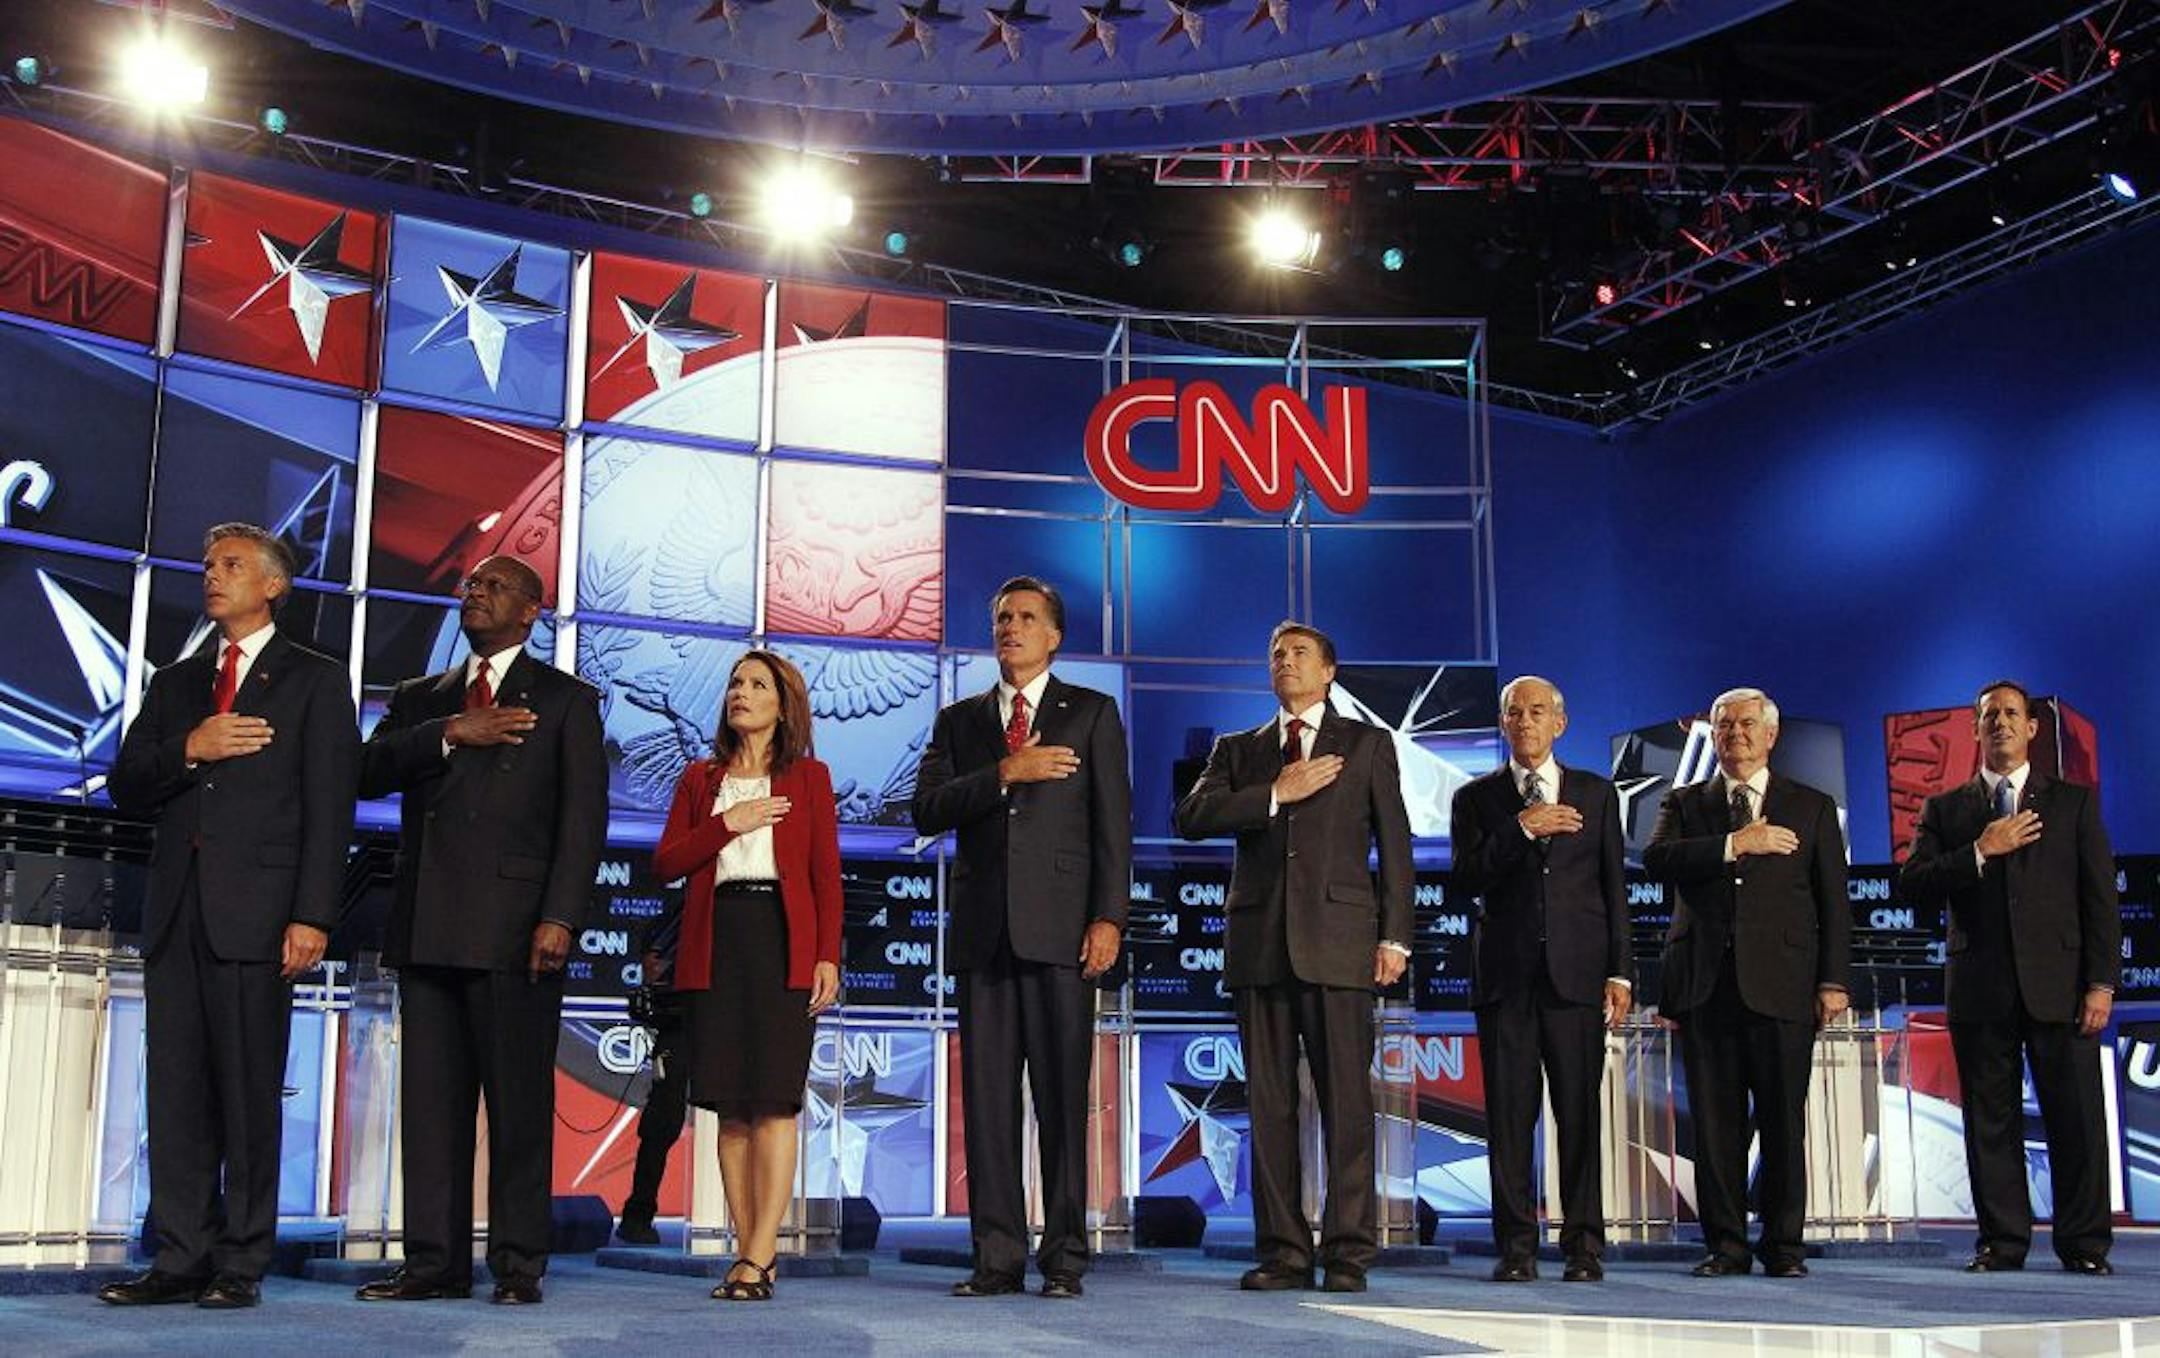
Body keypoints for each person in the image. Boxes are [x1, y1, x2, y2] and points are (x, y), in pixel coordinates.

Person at [101, 523, 358, 1310]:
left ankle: (241, 1262)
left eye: (233, 565)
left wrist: (312, 914)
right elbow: (127, 784)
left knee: (248, 1095)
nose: (213, 575)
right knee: (175, 1094)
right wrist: (192, 748)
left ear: (274, 584)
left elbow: (330, 807)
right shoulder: (176, 684)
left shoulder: (314, 680)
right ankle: (179, 1254)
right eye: (209, 564)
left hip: (260, 913)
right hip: (178, 912)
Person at [354, 555, 606, 1307]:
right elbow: (365, 773)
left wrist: (560, 915)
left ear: (532, 610)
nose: (475, 594)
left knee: (519, 1104)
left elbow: (581, 821)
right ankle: (433, 1263)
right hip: (428, 922)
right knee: (431, 1109)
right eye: (470, 585)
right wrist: (450, 731)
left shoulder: (565, 700)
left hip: (518, 930)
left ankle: (519, 1264)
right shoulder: (420, 698)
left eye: (494, 586)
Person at [1173, 621, 1412, 1295]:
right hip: (1259, 948)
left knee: (1346, 1107)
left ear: (1329, 670)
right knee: (1270, 1108)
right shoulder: (1241, 749)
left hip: (1340, 947)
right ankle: (1282, 1250)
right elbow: (1190, 817)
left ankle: (1347, 1252)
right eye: (1277, 654)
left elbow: (1394, 845)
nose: (1285, 662)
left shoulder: (1367, 745)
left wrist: (1395, 937)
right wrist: (1278, 792)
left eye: (1299, 653)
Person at [912, 576, 1130, 1301]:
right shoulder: (960, 721)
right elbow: (927, 809)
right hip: (983, 938)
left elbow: (1112, 828)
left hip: (1064, 934)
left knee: (1063, 1103)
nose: (1011, 626)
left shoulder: (1093, 713)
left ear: (1054, 635)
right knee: (989, 1105)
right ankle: (996, 1257)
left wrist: (1109, 918)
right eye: (1003, 616)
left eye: (1027, 617)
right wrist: (1005, 771)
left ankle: (1064, 1256)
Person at [1899, 679, 2119, 1275]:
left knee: (2075, 1121)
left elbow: (2100, 900)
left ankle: (2084, 1245)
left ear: (2031, 729)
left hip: (2064, 988)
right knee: (1989, 1123)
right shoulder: (1946, 811)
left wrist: (2101, 983)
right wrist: (1980, 849)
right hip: (1981, 989)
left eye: (2011, 713)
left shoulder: (2072, 803)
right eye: (1989, 714)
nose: (2000, 722)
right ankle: (2002, 1243)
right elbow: (1913, 883)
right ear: (1974, 729)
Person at [650, 649, 842, 1301]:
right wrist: (727, 824)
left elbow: (824, 875)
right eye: (735, 681)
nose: (741, 692)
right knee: (729, 1106)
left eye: (757, 684)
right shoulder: (701, 779)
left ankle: (761, 1254)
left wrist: (827, 956)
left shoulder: (809, 777)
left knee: (775, 1100)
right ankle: (746, 1251)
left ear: (783, 704)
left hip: (782, 939)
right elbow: (667, 862)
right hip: (717, 940)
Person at [1644, 686, 1850, 1279]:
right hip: (1706, 987)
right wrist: (1737, 843)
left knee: (1784, 1123)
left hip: (1784, 987)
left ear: (1770, 734)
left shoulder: (1810, 806)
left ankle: (1784, 1246)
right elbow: (1658, 862)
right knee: (1715, 1128)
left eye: (1745, 724)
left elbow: (1832, 901)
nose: (1734, 733)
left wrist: (1833, 980)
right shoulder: (1685, 804)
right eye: (1723, 725)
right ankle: (1726, 1247)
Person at [1448, 675, 1631, 1283]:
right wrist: (1523, 828)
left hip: (1578, 979)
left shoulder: (1597, 794)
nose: (1524, 721)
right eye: (1513, 713)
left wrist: (1620, 973)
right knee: (1508, 1119)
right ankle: (1517, 1248)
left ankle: (1583, 1246)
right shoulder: (1475, 799)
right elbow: (1467, 878)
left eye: (1536, 712)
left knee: (1579, 1117)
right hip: (1507, 980)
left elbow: (1612, 890)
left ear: (1560, 722)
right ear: (1502, 725)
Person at [615, 905, 689, 1247]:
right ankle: (637, 1215)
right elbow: (652, 967)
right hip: (679, 1027)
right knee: (662, 1123)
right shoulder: (672, 919)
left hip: (726, 1022)